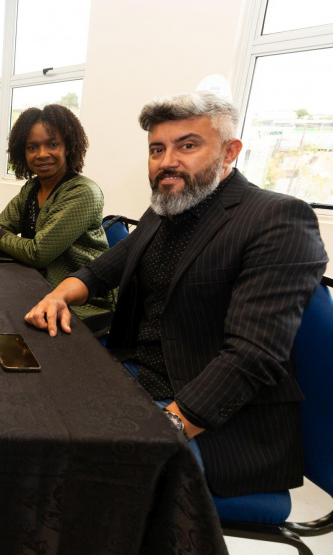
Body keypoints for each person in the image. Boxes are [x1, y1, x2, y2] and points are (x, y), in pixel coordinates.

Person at [25, 91, 328, 498]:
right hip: (136, 375)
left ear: (229, 152)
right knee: (30, 414)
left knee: (69, 480)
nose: (167, 161)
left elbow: (252, 355)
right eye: (157, 149)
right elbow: (101, 270)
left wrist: (167, 425)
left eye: (187, 146)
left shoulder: (277, 218)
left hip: (210, 419)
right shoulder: (165, 208)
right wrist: (59, 295)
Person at [0, 104, 115, 323]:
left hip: (82, 304)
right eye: (32, 147)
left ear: (68, 147)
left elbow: (38, 253)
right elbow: (0, 226)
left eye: (53, 144)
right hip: (37, 288)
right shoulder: (31, 188)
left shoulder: (83, 192)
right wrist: (1, 235)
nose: (42, 154)